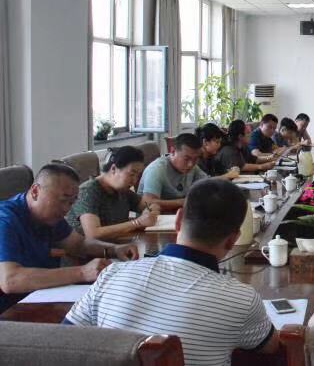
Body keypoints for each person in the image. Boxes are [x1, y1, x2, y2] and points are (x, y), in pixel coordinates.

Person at [65, 179, 278, 365]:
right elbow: (272, 349)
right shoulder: (241, 299)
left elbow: (63, 339)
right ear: (232, 240)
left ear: (178, 220)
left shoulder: (112, 274)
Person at [0, 164, 139, 314]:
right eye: (62, 200)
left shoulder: (49, 217)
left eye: (71, 203)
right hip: (8, 311)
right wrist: (82, 272)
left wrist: (114, 250)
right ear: (35, 191)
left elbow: (79, 244)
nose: (66, 209)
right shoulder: (5, 220)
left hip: (38, 297)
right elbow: (10, 280)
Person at [66, 147, 161, 240]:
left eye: (137, 176)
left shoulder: (122, 190)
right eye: (132, 174)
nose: (134, 181)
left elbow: (148, 205)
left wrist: (152, 210)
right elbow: (93, 234)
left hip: (116, 244)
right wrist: (137, 223)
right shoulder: (88, 191)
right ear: (114, 169)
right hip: (86, 249)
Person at [138, 133, 207, 211]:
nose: (190, 164)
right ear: (173, 151)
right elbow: (147, 203)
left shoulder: (192, 167)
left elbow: (208, 183)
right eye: (186, 159)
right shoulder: (156, 169)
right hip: (157, 216)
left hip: (178, 213)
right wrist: (183, 202)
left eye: (195, 159)